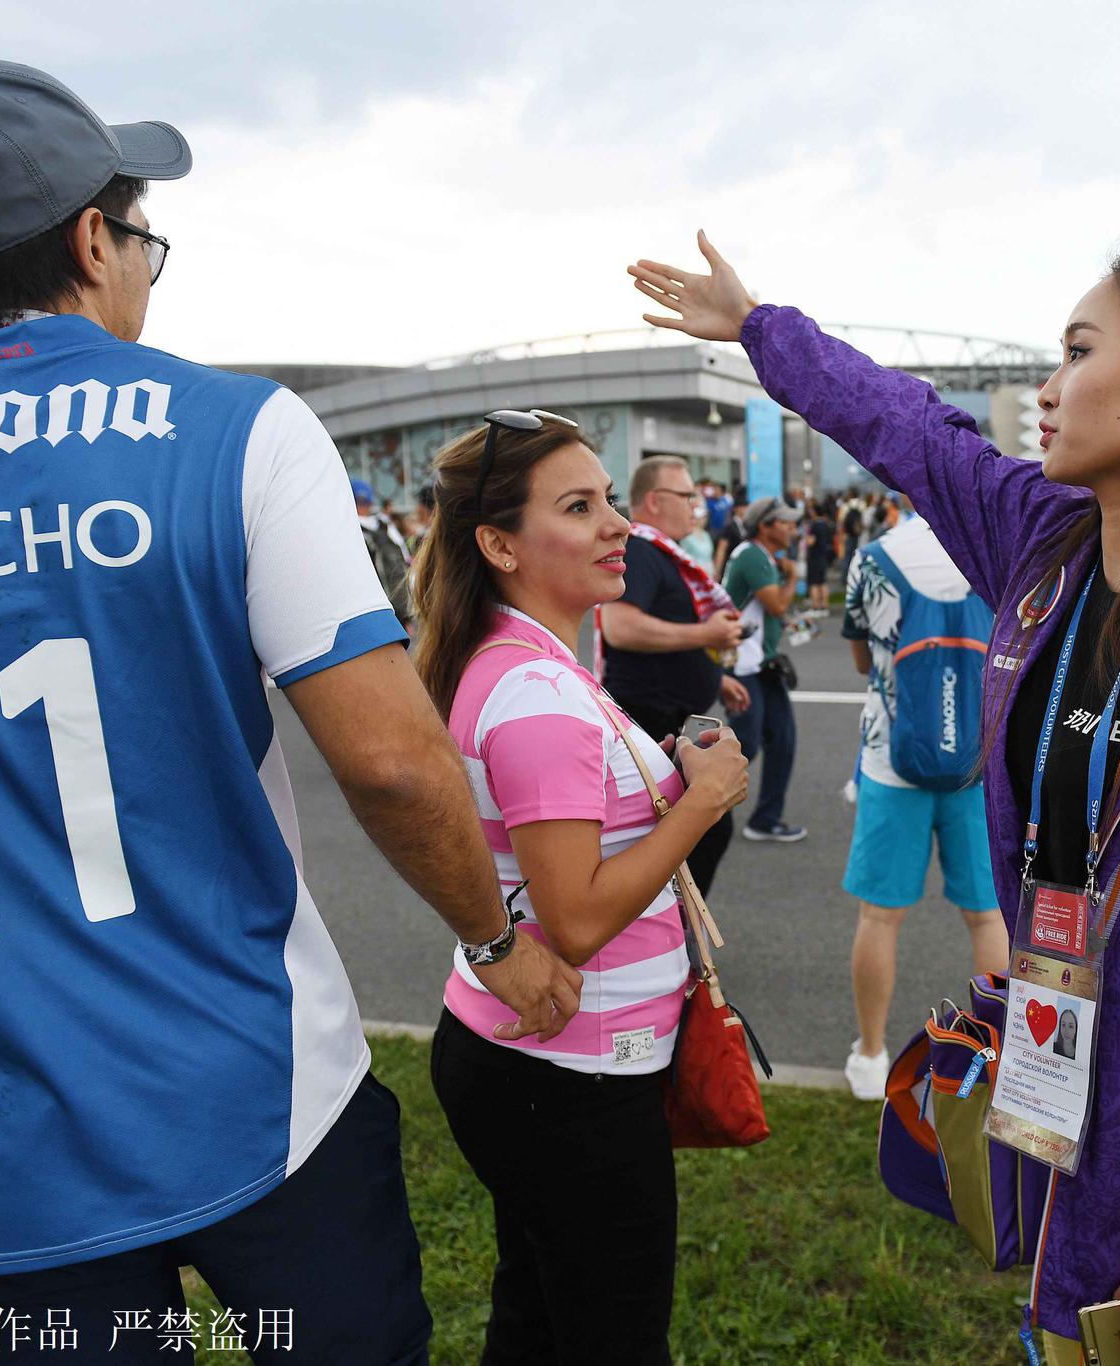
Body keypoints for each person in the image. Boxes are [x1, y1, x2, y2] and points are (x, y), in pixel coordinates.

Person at [0, 61, 579, 1364]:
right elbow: (388, 760)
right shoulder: (235, 432)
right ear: (92, 241)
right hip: (253, 1090)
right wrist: (498, 941)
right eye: (144, 232)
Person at [631, 231, 1120, 1366]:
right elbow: (910, 428)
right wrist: (759, 329)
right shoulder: (1051, 547)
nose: (1042, 390)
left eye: (1079, 351)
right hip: (1054, 1075)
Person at [412, 413, 749, 1365]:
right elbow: (578, 915)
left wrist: (673, 775)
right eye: (579, 506)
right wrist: (705, 800)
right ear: (499, 544)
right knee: (609, 1335)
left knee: (538, 1319)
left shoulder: (528, 664)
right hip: (571, 1077)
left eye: (609, 500)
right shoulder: (537, 691)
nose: (618, 527)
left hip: (540, 1067)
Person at [839, 514, 1008, 1100]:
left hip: (893, 764)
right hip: (978, 766)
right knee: (988, 917)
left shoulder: (873, 556)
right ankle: (994, 1055)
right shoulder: (995, 546)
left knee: (879, 918)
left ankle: (869, 1053)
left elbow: (863, 660)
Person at [598, 454, 750, 892]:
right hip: (649, 718)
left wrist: (713, 675)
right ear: (654, 500)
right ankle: (674, 933)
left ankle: (676, 931)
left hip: (664, 714)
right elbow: (622, 627)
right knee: (694, 832)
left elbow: (665, 633)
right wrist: (706, 634)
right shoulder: (642, 549)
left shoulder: (659, 551)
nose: (695, 506)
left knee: (699, 831)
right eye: (686, 496)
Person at [722, 495, 807, 842]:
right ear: (765, 526)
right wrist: (793, 577)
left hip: (762, 662)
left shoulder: (765, 556)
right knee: (745, 744)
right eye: (785, 522)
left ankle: (765, 819)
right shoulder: (754, 556)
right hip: (742, 664)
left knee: (783, 741)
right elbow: (775, 605)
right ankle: (684, 800)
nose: (792, 528)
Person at [355, 477, 414, 625]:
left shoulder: (379, 525)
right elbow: (405, 559)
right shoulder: (384, 525)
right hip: (398, 605)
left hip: (377, 608)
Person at [804, 497, 837, 614]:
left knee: (814, 583)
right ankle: (825, 606)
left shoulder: (814, 525)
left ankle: (816, 606)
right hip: (824, 555)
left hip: (815, 555)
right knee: (823, 582)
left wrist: (806, 539)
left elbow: (811, 542)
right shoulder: (826, 524)